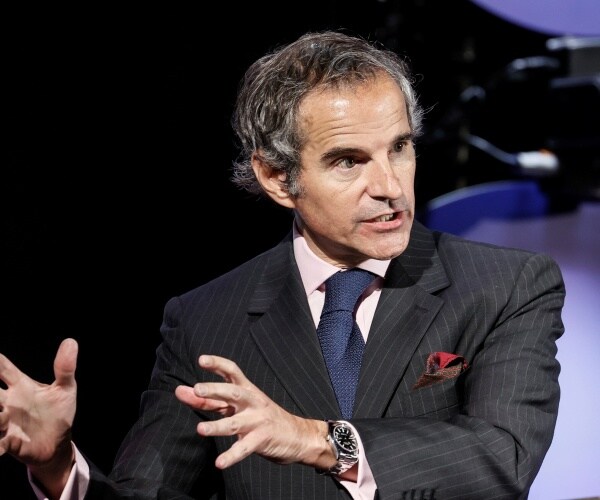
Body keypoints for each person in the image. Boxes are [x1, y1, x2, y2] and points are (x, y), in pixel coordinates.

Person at [0, 29, 566, 500]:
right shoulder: (205, 320)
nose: (391, 187)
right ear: (276, 178)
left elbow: (502, 457)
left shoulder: (506, 285)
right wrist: (58, 467)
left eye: (399, 147)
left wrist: (315, 440)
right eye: (348, 161)